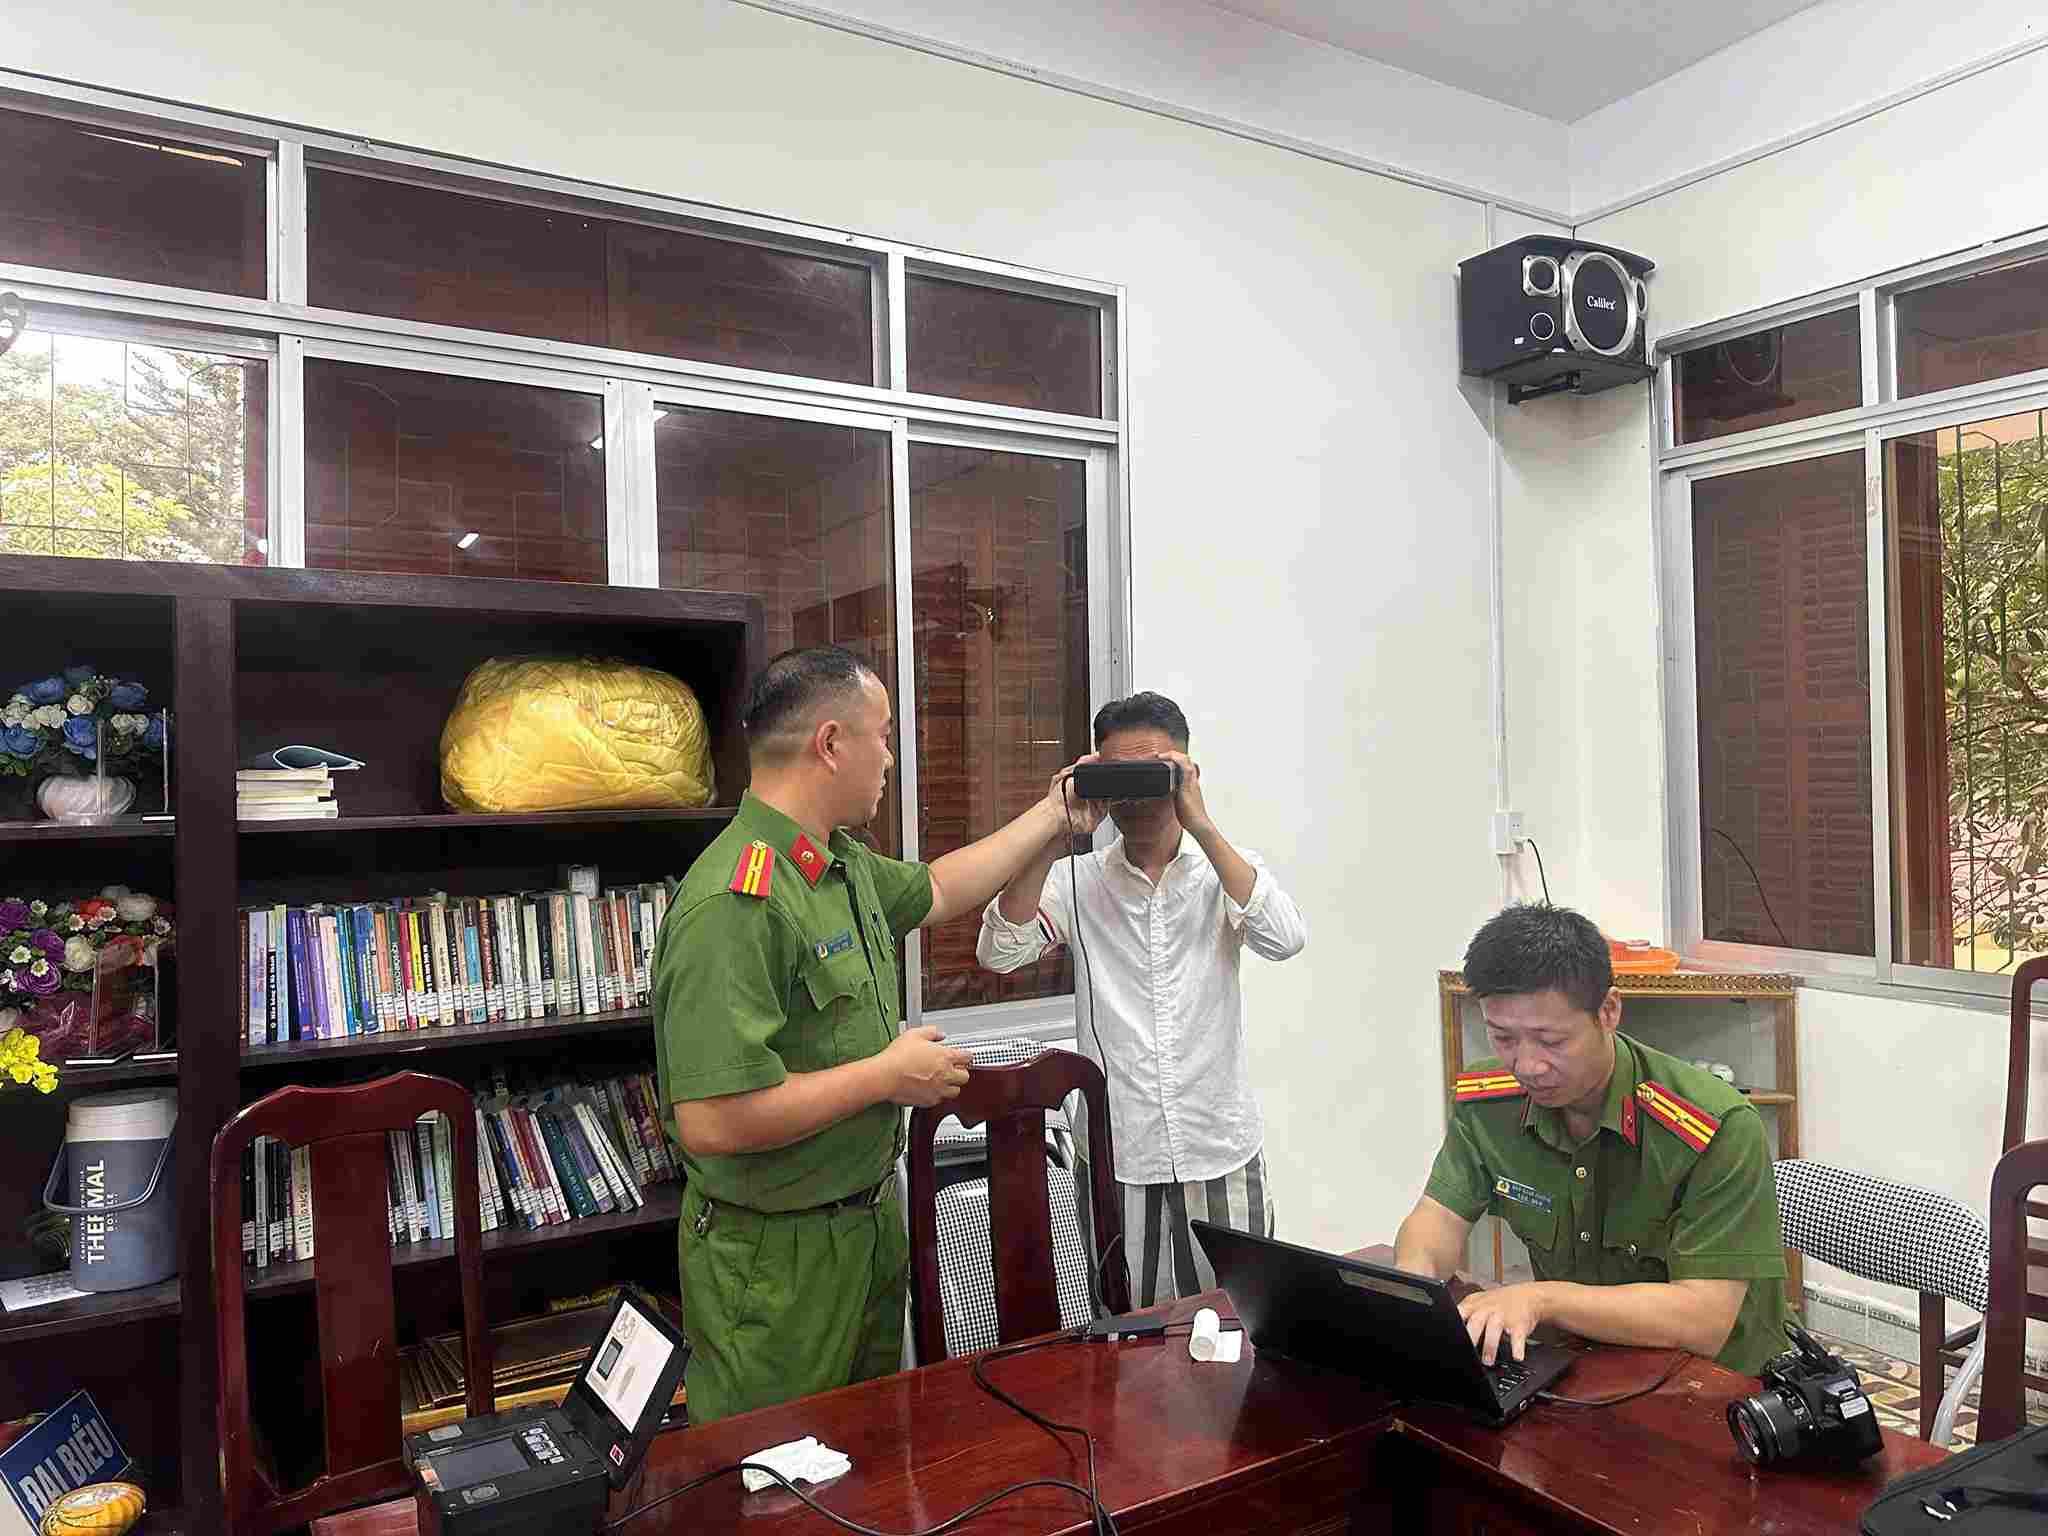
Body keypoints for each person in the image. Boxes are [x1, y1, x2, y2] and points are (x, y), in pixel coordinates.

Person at [652, 645, 1098, 1423]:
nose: (891, 757)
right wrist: (885, 1077)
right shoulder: (735, 899)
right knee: (775, 1486)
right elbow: (713, 1119)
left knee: (867, 1468)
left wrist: (1053, 816)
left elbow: (940, 886)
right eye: (883, 735)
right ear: (830, 744)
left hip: (862, 1231)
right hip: (775, 1262)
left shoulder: (836, 865)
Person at [976, 692, 1306, 1303]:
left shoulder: (1225, 873)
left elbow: (1285, 938)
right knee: (1131, 1340)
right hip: (1120, 1154)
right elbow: (999, 952)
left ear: (1187, 772)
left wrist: (1202, 823)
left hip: (1220, 1150)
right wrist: (1055, 831)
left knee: (1241, 1329)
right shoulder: (1080, 880)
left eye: (1153, 772)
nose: (1138, 796)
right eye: (1122, 775)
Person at [1393, 902, 1790, 1374]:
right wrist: (1412, 1291)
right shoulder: (1490, 1104)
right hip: (1582, 1366)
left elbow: (1706, 1318)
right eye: (1502, 1038)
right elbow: (1436, 1218)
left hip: (1718, 1387)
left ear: (1609, 1011)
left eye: (1551, 1041)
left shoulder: (1712, 1127)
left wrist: (1542, 1299)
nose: (1526, 1065)